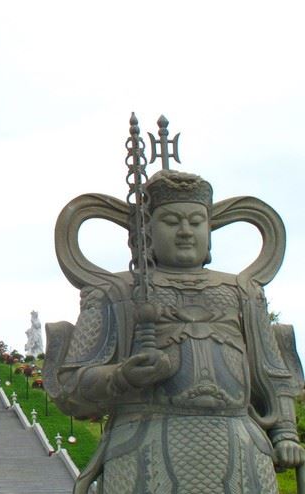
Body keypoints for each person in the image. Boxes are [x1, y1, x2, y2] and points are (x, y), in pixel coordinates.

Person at [44, 170, 304, 493]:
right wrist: (122, 376)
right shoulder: (115, 291)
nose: (185, 231)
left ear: (209, 230)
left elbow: (274, 372)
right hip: (144, 445)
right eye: (171, 221)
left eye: (196, 221)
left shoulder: (243, 292)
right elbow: (73, 384)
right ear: (147, 232)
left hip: (239, 445)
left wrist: (285, 433)